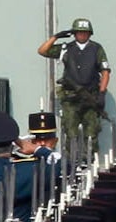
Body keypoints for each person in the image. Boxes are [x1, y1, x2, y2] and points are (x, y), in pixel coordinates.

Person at [39, 20, 110, 161]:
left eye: (85, 32)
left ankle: (89, 161)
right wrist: (56, 37)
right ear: (74, 34)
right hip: (70, 97)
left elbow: (105, 71)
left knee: (91, 132)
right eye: (79, 32)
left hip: (90, 95)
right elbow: (43, 51)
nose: (82, 35)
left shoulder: (96, 48)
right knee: (70, 131)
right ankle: (71, 162)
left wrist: (102, 93)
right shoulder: (66, 48)